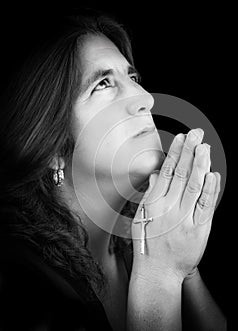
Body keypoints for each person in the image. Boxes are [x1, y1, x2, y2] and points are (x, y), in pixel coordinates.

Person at [0, 10, 226, 330]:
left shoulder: (139, 240)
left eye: (132, 79)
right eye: (103, 84)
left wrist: (183, 269)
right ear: (52, 149)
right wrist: (160, 276)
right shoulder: (20, 292)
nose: (145, 99)